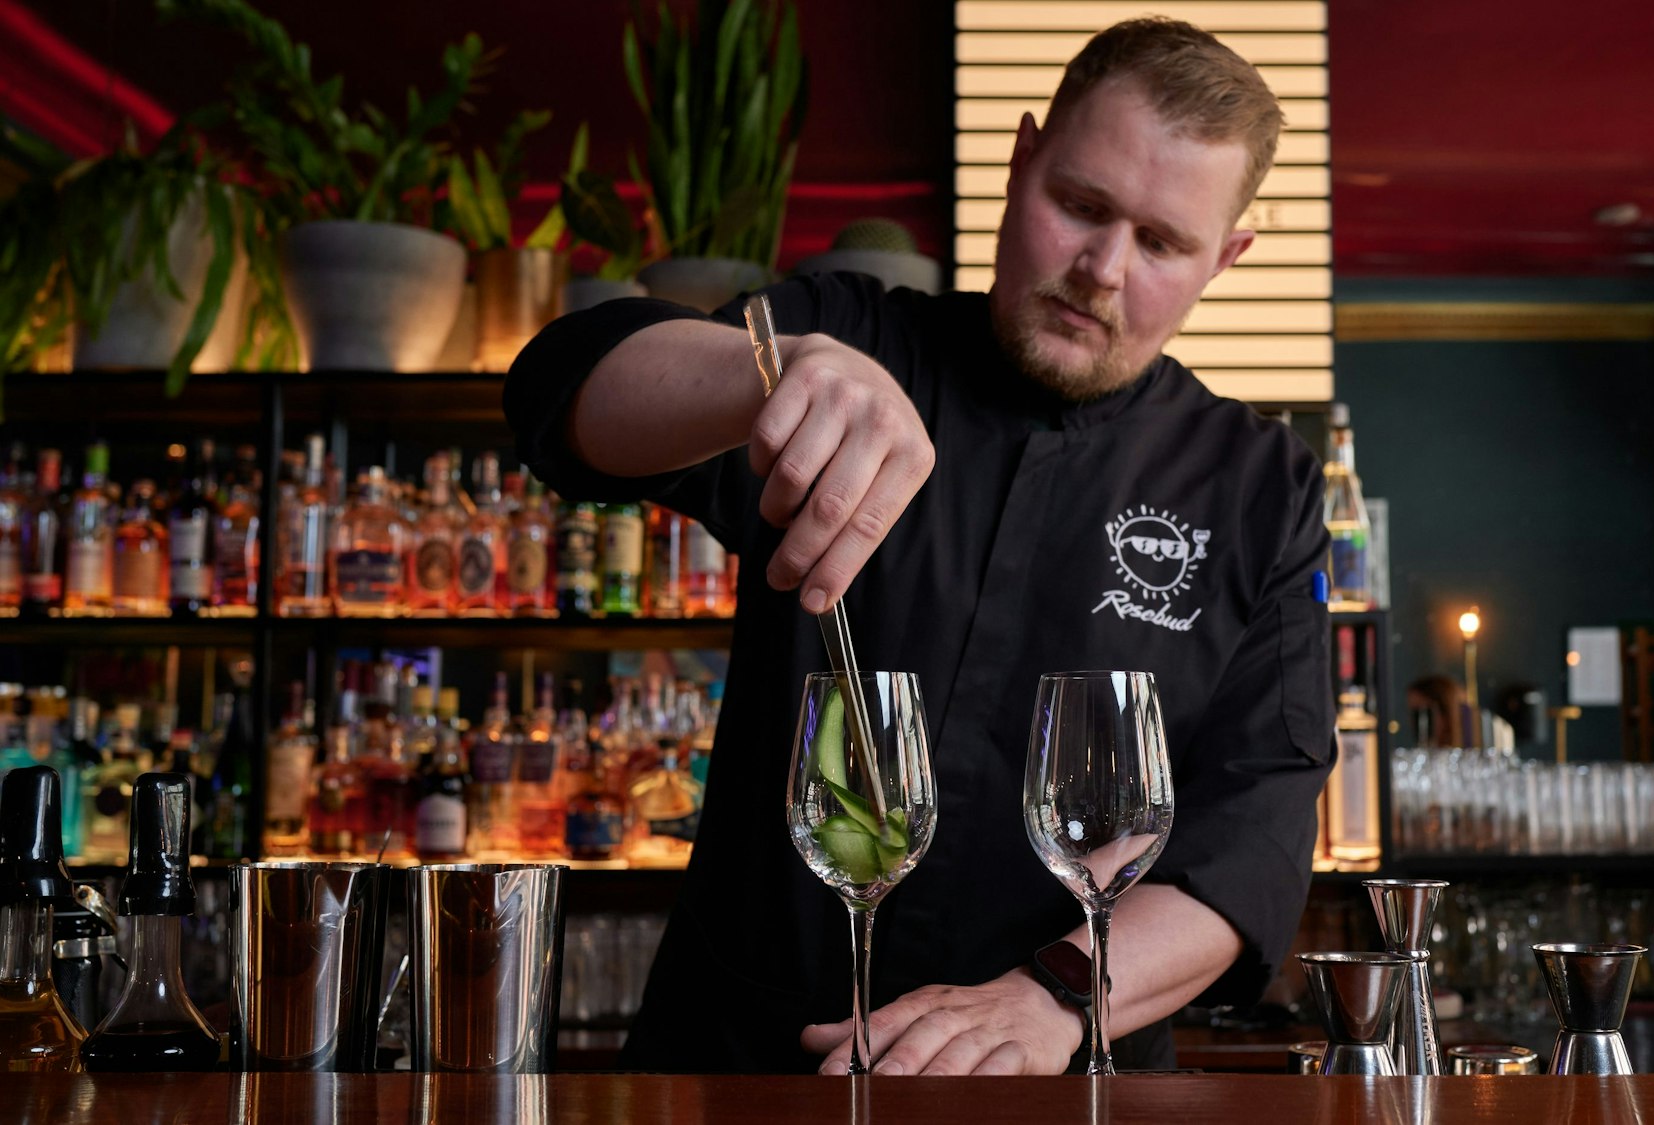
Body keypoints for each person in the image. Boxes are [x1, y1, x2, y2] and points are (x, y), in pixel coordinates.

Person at [505, 17, 1333, 1075]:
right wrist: (769, 375)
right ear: (1020, 159)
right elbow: (560, 396)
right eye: (1079, 205)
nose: (1101, 268)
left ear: (1225, 259)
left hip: (1056, 1077)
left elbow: (1252, 838)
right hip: (744, 1061)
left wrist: (1054, 997)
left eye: (1162, 244)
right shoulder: (850, 334)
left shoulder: (1261, 486)